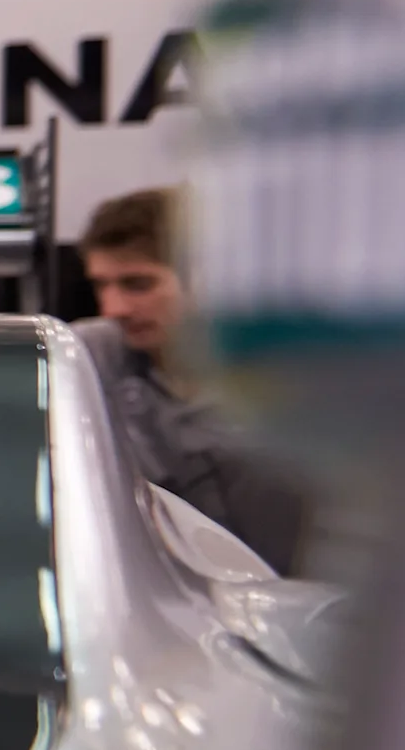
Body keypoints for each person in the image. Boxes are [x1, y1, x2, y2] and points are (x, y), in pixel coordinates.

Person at [72, 186, 307, 571]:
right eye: (101, 285)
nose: (113, 308)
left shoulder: (291, 373)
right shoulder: (91, 354)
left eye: (138, 284)